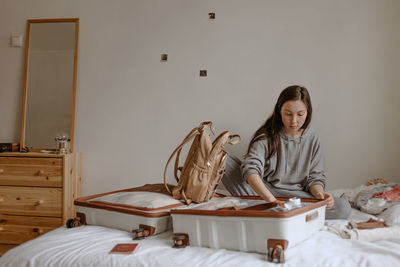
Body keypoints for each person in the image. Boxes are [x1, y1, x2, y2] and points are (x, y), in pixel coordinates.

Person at [222, 85, 350, 219]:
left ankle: (271, 211)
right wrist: (271, 200)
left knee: (343, 207)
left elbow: (315, 178)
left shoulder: (313, 139)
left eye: (300, 114)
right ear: (279, 111)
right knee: (223, 159)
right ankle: (280, 211)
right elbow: (251, 170)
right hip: (263, 192)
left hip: (296, 198)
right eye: (288, 114)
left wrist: (320, 195)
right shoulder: (266, 136)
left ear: (308, 112)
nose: (294, 120)